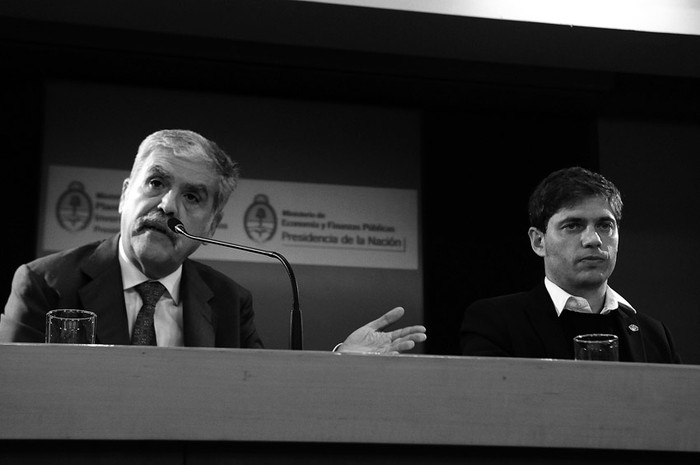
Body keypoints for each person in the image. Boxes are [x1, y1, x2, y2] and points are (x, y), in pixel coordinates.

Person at [0, 129, 426, 354]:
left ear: (213, 224)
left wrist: (338, 365)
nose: (167, 205)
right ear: (125, 193)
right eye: (156, 182)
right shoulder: (46, 283)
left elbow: (260, 400)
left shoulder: (227, 300)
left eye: (192, 196)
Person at [460, 166, 680, 363]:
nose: (593, 239)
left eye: (605, 225)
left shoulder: (654, 334)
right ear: (538, 241)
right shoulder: (496, 323)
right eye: (573, 225)